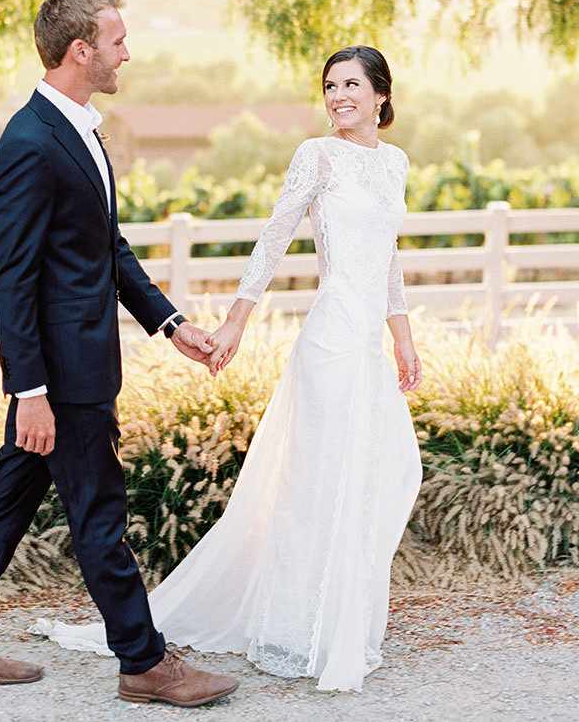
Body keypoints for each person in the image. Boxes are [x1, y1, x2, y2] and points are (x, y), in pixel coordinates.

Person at [33, 44, 424, 692]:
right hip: (329, 341)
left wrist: (403, 337)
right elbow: (273, 238)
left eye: (351, 83)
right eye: (329, 85)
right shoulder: (316, 156)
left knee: (384, 472)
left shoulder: (396, 164)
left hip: (370, 346)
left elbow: (389, 261)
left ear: (382, 93)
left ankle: (342, 622)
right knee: (324, 478)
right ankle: (300, 629)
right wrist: (236, 321)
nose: (337, 96)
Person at [0, 0, 239, 709]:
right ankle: (144, 661)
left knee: (8, 500)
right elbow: (13, 280)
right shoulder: (30, 143)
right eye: (118, 40)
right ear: (80, 51)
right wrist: (28, 390)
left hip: (80, 363)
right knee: (99, 512)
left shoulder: (82, 129)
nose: (129, 52)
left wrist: (170, 323)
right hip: (63, 376)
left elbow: (105, 248)